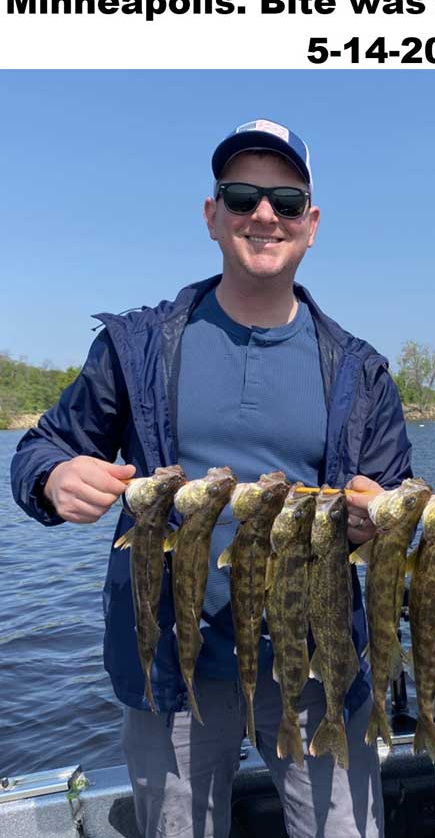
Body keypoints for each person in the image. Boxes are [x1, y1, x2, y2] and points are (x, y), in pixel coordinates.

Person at [11, 118, 413, 838]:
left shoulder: (361, 368)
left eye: (286, 201)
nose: (264, 214)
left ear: (311, 224)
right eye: (241, 195)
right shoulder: (136, 347)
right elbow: (40, 449)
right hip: (170, 671)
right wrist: (53, 477)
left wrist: (382, 520)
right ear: (211, 214)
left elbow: (396, 504)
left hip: (319, 667)